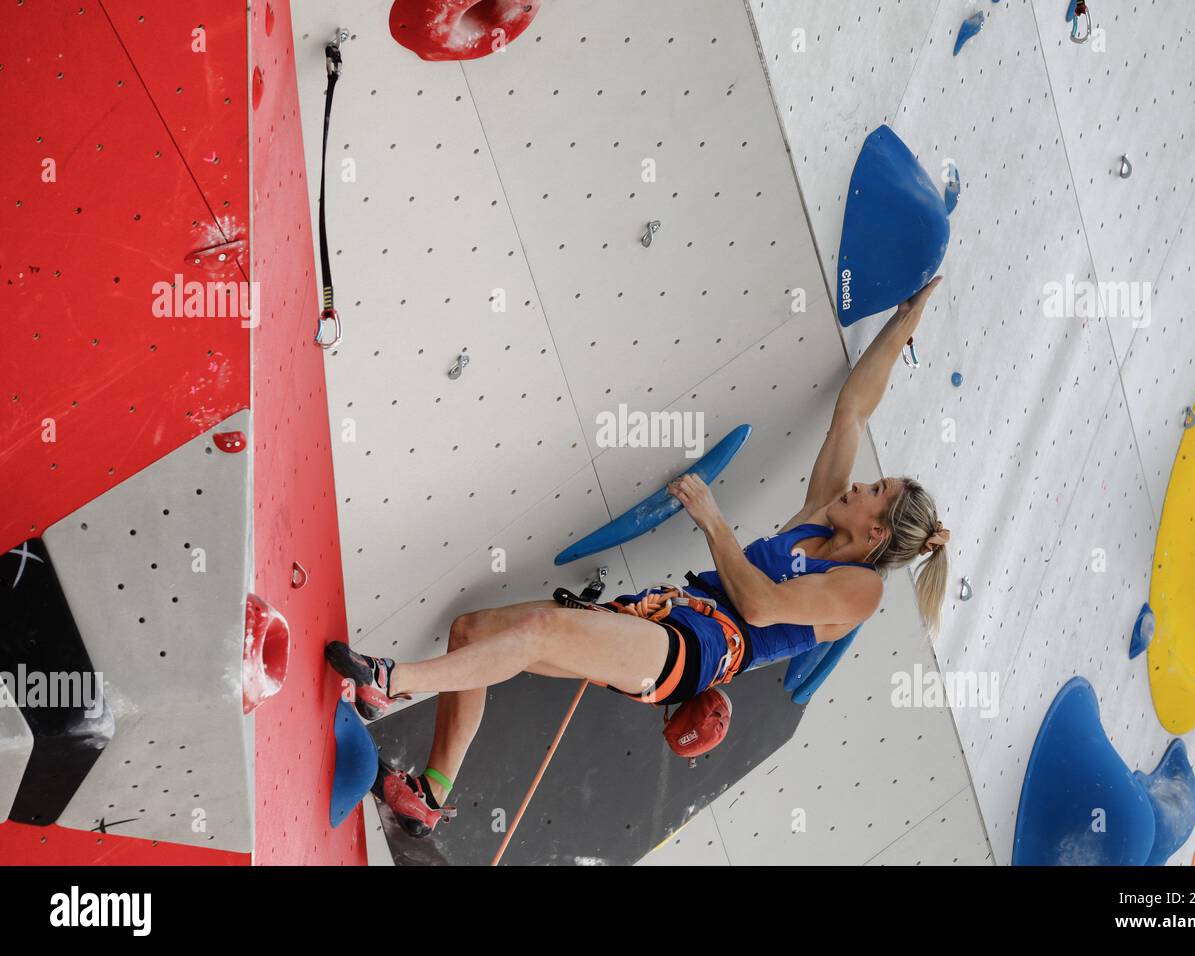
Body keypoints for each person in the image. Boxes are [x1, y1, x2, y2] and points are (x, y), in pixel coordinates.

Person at [326, 277, 951, 836]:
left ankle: (389, 682)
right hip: (669, 614)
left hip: (700, 651)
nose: (861, 484)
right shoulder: (821, 517)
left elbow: (760, 608)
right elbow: (853, 409)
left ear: (876, 535)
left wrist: (713, 521)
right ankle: (430, 796)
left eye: (875, 492)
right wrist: (909, 314)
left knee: (540, 632)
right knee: (473, 632)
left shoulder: (860, 590)